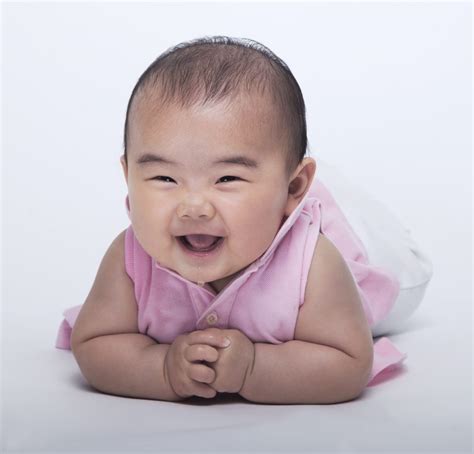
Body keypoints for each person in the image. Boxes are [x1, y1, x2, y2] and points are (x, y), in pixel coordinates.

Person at [56, 36, 408, 404]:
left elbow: (348, 364)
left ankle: (318, 191)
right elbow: (95, 343)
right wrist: (161, 368)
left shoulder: (314, 262)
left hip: (356, 246)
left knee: (401, 271)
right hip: (272, 192)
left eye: (227, 178)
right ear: (128, 174)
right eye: (165, 178)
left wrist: (255, 368)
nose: (193, 207)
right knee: (264, 178)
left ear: (294, 187)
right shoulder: (130, 258)